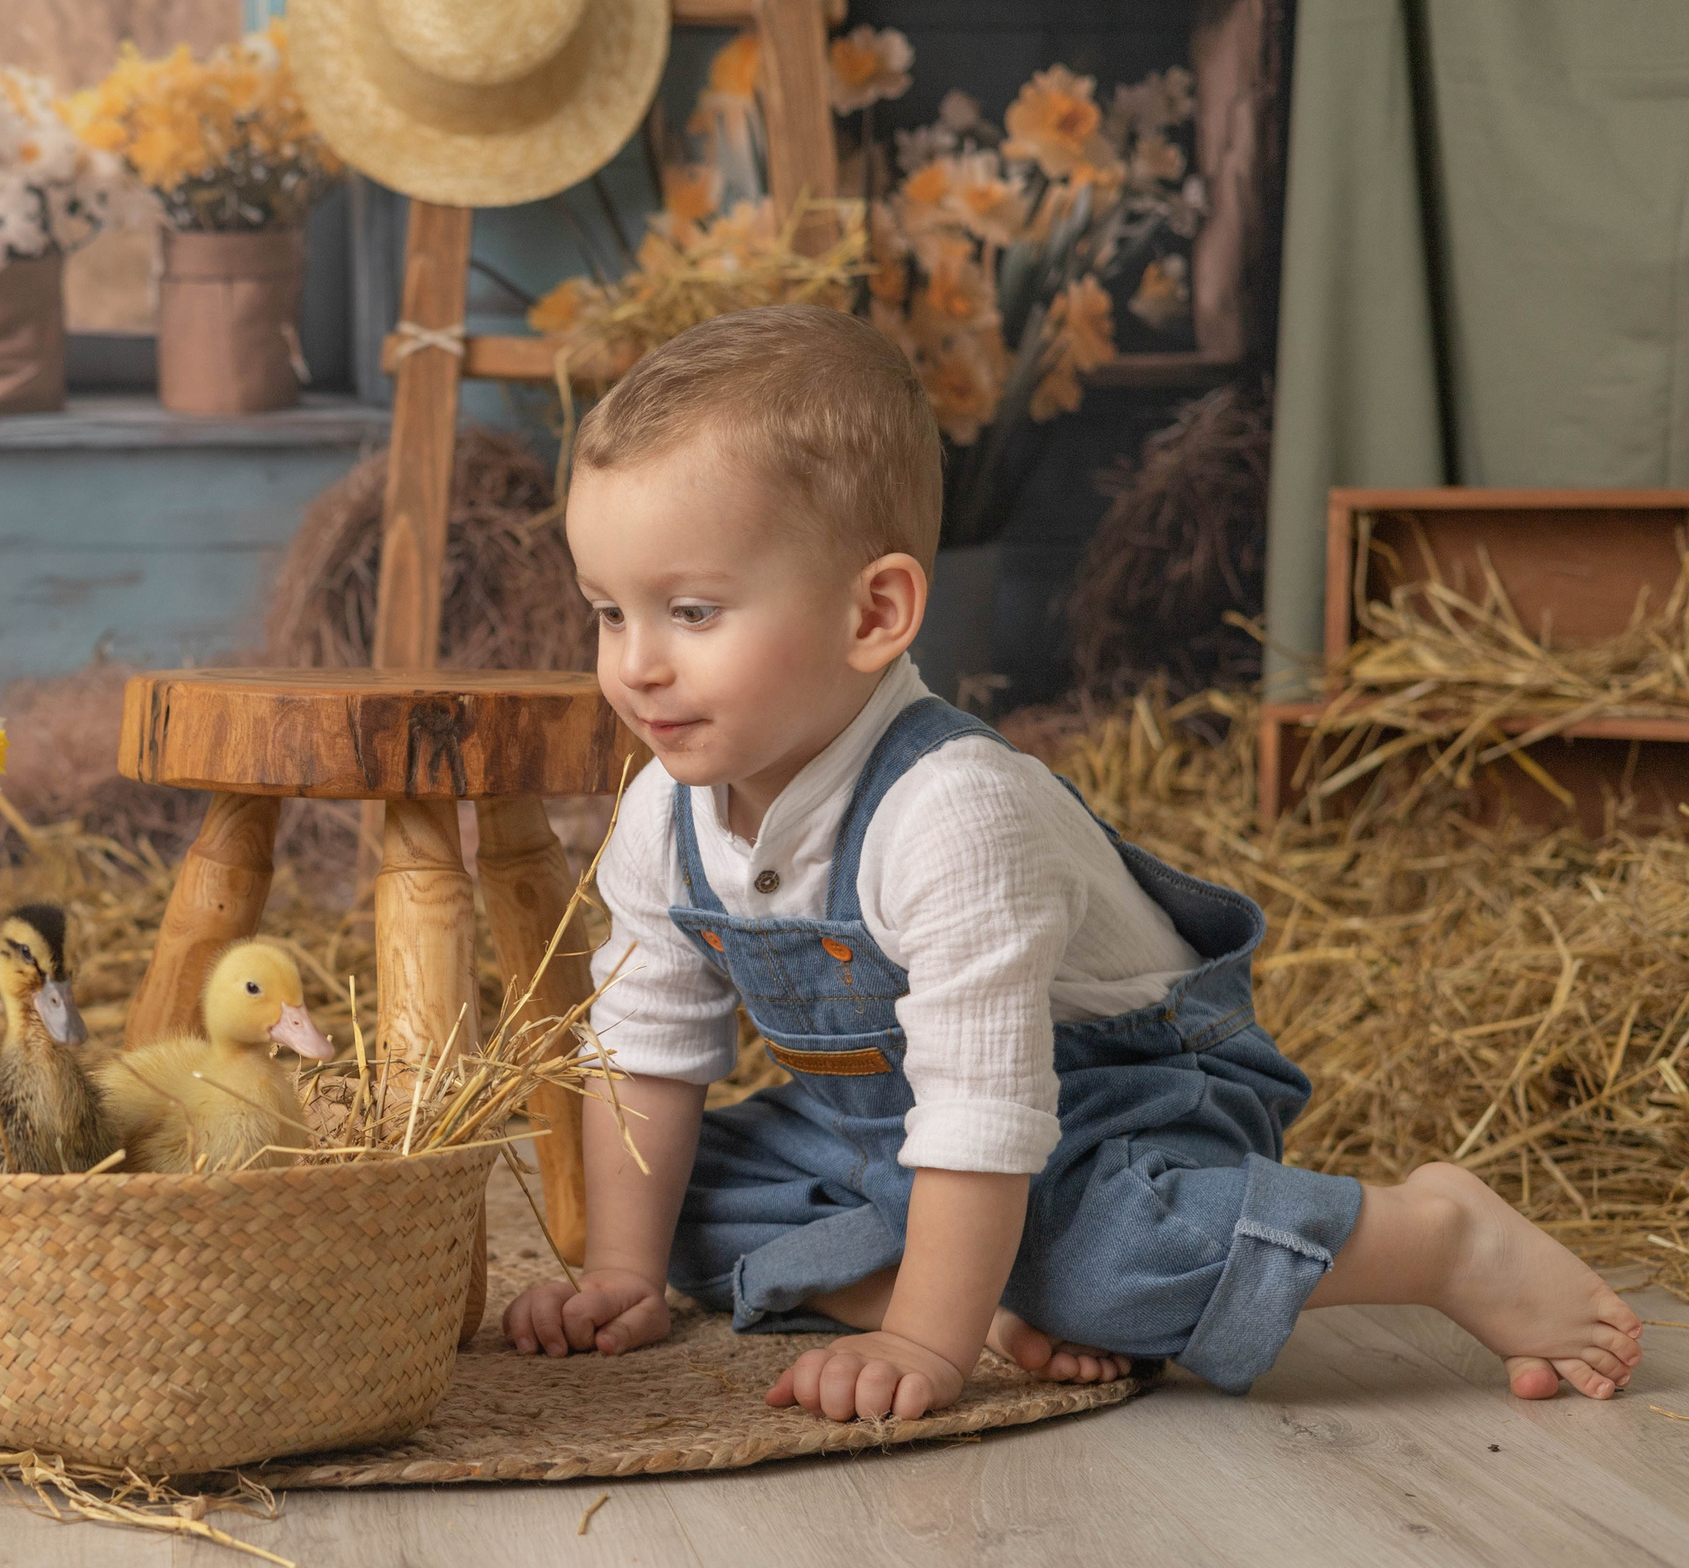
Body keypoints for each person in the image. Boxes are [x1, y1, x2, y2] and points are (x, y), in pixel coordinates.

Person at [504, 303, 1644, 1420]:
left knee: (1117, 1266)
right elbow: (647, 1051)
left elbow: (985, 1107)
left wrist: (925, 1346)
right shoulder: (662, 813)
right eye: (609, 613)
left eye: (690, 611)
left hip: (1118, 1108)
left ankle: (1437, 1237)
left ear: (875, 613)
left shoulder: (949, 811)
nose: (635, 666)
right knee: (668, 1189)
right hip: (886, 1131)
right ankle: (994, 1293)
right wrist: (623, 1273)